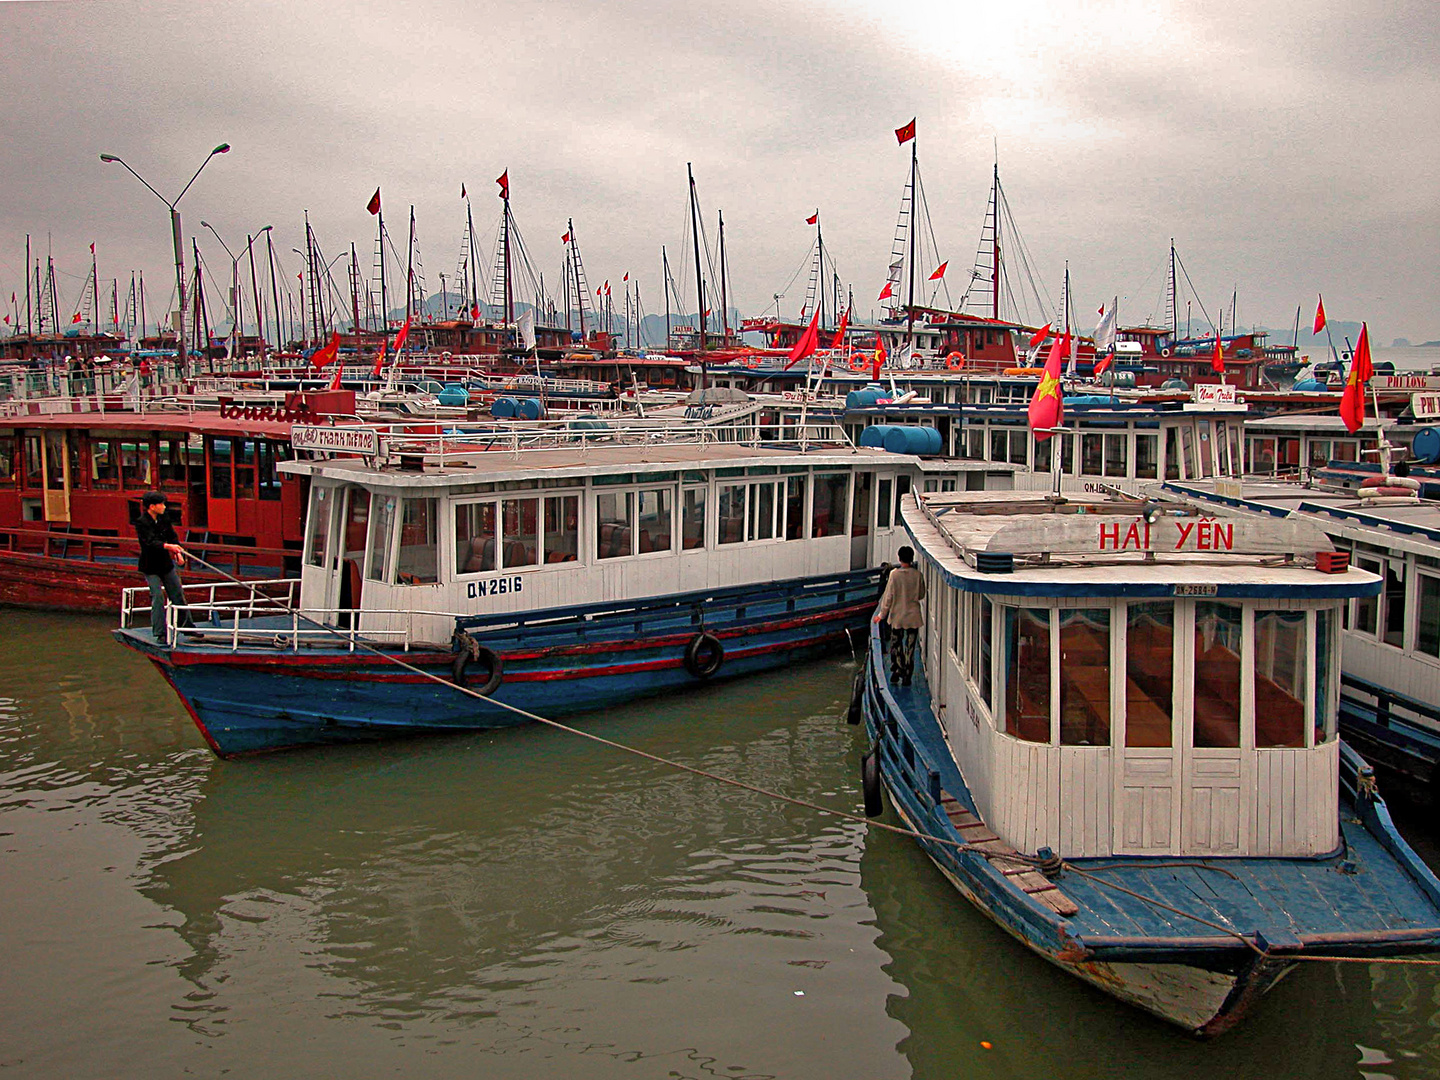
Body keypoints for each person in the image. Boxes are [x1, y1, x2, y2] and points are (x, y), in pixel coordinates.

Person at [135, 492, 192, 639]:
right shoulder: (142, 522)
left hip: (165, 563)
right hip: (150, 564)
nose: (164, 506)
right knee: (158, 597)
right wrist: (170, 547)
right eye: (161, 504)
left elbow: (172, 536)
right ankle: (160, 632)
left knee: (177, 593)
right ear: (152, 507)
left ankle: (187, 627)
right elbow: (150, 542)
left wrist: (178, 552)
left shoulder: (163, 518)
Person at [873, 546, 926, 686]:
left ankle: (897, 671)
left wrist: (881, 615)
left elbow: (888, 597)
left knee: (896, 645)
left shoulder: (894, 575)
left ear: (899, 558)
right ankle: (908, 674)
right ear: (912, 558)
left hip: (897, 616)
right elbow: (921, 594)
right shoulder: (918, 575)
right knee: (910, 647)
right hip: (913, 616)